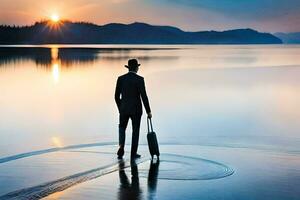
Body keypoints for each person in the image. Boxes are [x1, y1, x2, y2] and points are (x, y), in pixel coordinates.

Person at [115, 59, 152, 159]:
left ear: (128, 68)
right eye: (138, 67)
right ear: (136, 68)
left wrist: (120, 108)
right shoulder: (140, 79)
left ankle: (121, 147)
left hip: (123, 109)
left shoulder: (120, 79)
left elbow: (116, 96)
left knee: (122, 128)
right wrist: (148, 111)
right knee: (135, 131)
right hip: (136, 110)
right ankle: (133, 153)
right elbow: (144, 97)